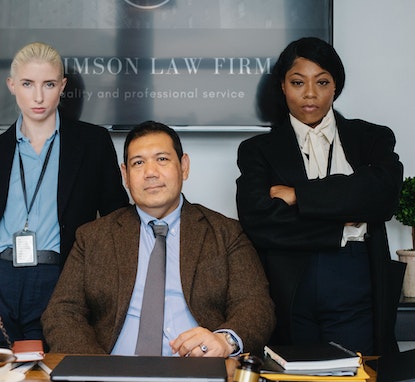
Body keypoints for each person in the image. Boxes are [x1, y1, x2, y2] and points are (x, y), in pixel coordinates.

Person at [0, 42, 129, 347]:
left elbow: (116, 221)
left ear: (62, 86)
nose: (39, 96)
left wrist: (92, 283)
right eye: (28, 84)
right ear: (12, 86)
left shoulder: (92, 143)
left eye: (49, 84)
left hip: (60, 280)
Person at [42, 120, 275, 358]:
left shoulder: (225, 233)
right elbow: (62, 312)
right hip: (115, 376)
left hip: (198, 373)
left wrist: (224, 341)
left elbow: (256, 306)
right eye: (138, 163)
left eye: (162, 159)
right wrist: (99, 369)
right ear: (125, 175)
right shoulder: (93, 237)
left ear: (184, 166)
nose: (150, 173)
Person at [236, 37, 405, 356]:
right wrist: (344, 220)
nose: (310, 93)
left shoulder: (371, 138)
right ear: (283, 86)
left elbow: (382, 197)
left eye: (322, 82)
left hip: (356, 280)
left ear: (336, 86)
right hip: (288, 287)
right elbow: (260, 221)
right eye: (298, 82)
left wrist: (298, 194)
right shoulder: (257, 151)